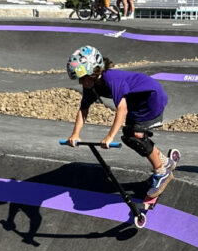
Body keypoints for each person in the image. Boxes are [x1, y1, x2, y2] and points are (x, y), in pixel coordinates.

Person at [65, 45, 175, 198]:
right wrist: (75, 134)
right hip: (136, 103)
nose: (81, 83)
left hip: (151, 98)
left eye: (83, 78)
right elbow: (83, 109)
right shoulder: (91, 85)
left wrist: (109, 137)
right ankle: (166, 162)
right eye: (79, 79)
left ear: (94, 71)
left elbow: (122, 109)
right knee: (128, 136)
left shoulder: (111, 79)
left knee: (136, 135)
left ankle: (161, 173)